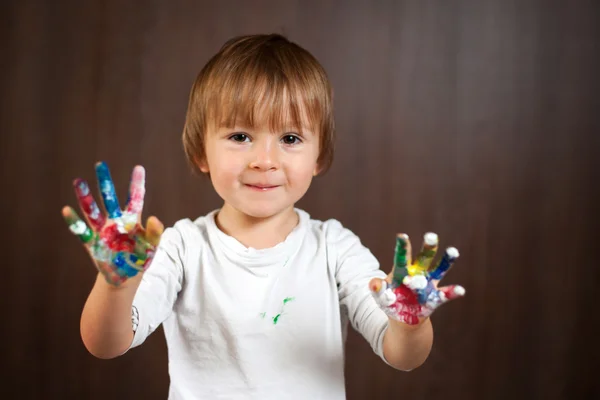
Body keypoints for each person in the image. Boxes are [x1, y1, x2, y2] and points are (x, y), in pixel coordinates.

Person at [62, 33, 465, 399]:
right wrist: (115, 288)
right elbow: (106, 344)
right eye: (240, 137)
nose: (265, 161)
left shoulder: (335, 248)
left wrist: (410, 324)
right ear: (201, 151)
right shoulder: (181, 248)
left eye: (290, 138)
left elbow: (402, 356)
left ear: (319, 155)